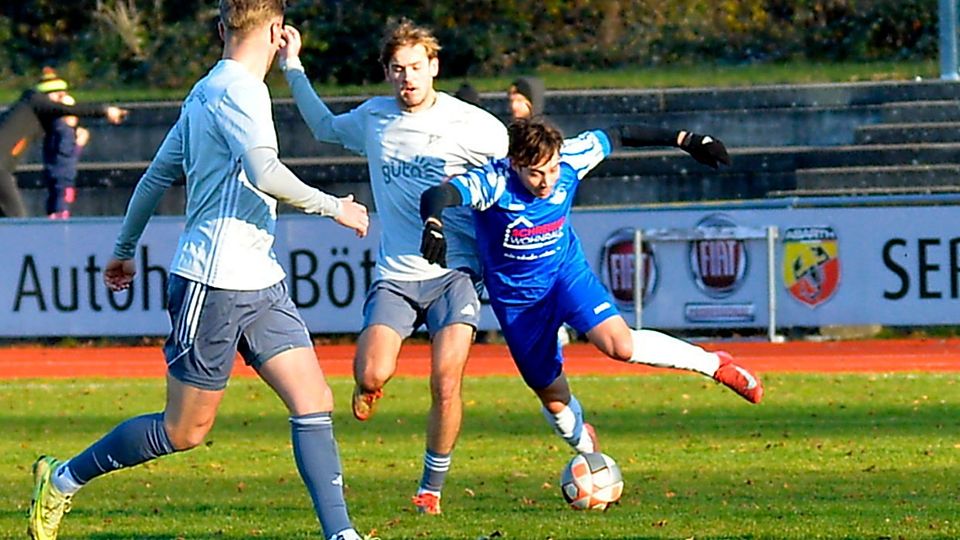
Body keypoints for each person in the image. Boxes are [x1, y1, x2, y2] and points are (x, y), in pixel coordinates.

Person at [26, 2, 372, 540]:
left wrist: (123, 248)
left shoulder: (207, 88)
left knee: (314, 400)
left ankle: (341, 534)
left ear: (219, 30)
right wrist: (337, 207)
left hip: (260, 280)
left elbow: (156, 176)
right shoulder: (241, 91)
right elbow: (265, 172)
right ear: (279, 32)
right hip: (211, 284)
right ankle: (63, 478)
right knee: (183, 430)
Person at [418, 117, 762, 458]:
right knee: (552, 398)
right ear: (515, 164)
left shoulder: (571, 156)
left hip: (567, 275)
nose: (546, 181)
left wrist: (688, 140)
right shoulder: (493, 181)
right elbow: (440, 194)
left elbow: (622, 132)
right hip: (519, 303)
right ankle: (587, 450)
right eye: (535, 172)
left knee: (620, 345)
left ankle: (714, 364)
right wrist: (433, 222)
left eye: (551, 170)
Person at [279, 18, 508, 515]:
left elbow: (518, 169)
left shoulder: (472, 124)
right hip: (397, 276)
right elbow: (322, 128)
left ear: (434, 68)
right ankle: (369, 386)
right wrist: (292, 65)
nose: (408, 78)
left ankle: (431, 488)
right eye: (399, 69)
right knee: (371, 373)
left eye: (417, 68)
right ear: (387, 71)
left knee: (446, 382)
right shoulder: (374, 118)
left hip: (456, 273)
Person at [0, 71, 126, 218]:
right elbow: (69, 110)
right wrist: (104, 111)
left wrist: (74, 133)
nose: (61, 100)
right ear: (48, 95)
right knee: (17, 218)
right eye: (59, 95)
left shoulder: (26, 112)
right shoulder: (35, 102)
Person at [35, 69, 88, 219]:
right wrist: (79, 144)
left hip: (53, 172)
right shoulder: (64, 131)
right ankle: (59, 222)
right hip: (62, 175)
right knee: (62, 200)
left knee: (54, 199)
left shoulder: (53, 127)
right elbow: (65, 154)